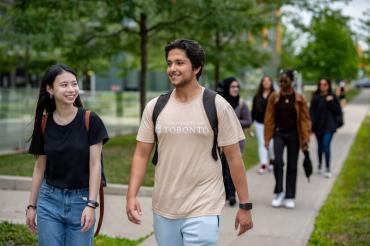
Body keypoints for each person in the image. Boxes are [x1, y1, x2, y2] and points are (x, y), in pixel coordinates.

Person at [125, 39, 253, 245]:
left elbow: (234, 158)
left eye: (179, 63)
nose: (172, 69)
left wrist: (245, 206)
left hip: (204, 206)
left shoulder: (217, 105)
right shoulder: (155, 107)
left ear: (197, 67)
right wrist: (131, 196)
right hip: (165, 206)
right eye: (169, 63)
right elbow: (141, 154)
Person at [26, 64, 109, 246]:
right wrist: (32, 206)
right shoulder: (43, 123)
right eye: (64, 85)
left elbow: (95, 166)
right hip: (49, 200)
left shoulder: (91, 120)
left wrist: (91, 205)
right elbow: (40, 167)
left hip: (81, 200)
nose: (71, 89)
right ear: (50, 89)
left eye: (74, 84)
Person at [264, 70, 311, 209]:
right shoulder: (274, 97)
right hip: (279, 134)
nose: (282, 83)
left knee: (292, 165)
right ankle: (279, 193)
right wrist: (267, 139)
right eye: (281, 81)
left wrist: (305, 138)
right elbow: (269, 119)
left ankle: (290, 196)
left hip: (294, 135)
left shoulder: (299, 98)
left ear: (292, 81)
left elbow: (304, 120)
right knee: (278, 162)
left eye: (285, 80)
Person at [220, 77, 252, 206]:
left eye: (237, 87)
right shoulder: (221, 103)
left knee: (232, 167)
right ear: (227, 88)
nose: (235, 89)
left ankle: (232, 194)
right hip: (221, 141)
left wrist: (233, 122)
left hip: (237, 141)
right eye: (233, 87)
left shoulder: (242, 104)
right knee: (222, 168)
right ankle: (226, 193)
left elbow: (248, 121)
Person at [310, 78, 342, 178]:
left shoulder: (333, 97)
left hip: (329, 126)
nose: (323, 86)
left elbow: (338, 111)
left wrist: (330, 102)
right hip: (318, 126)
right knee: (320, 147)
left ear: (328, 85)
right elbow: (312, 113)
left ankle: (328, 168)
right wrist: (311, 127)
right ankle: (320, 164)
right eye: (321, 84)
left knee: (326, 145)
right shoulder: (316, 98)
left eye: (325, 84)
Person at [251, 75, 275, 174]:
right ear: (262, 83)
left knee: (271, 144)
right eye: (264, 81)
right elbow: (253, 111)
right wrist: (250, 124)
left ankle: (272, 159)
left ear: (271, 82)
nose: (266, 82)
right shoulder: (257, 96)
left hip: (271, 124)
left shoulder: (275, 95)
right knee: (262, 143)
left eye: (268, 81)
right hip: (259, 123)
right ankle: (263, 163)